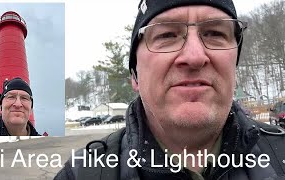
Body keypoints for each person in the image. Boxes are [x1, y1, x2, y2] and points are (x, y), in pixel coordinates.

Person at [56, 0, 285, 179]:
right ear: (135, 76)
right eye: (166, 35)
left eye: (215, 33)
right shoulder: (81, 174)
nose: (194, 56)